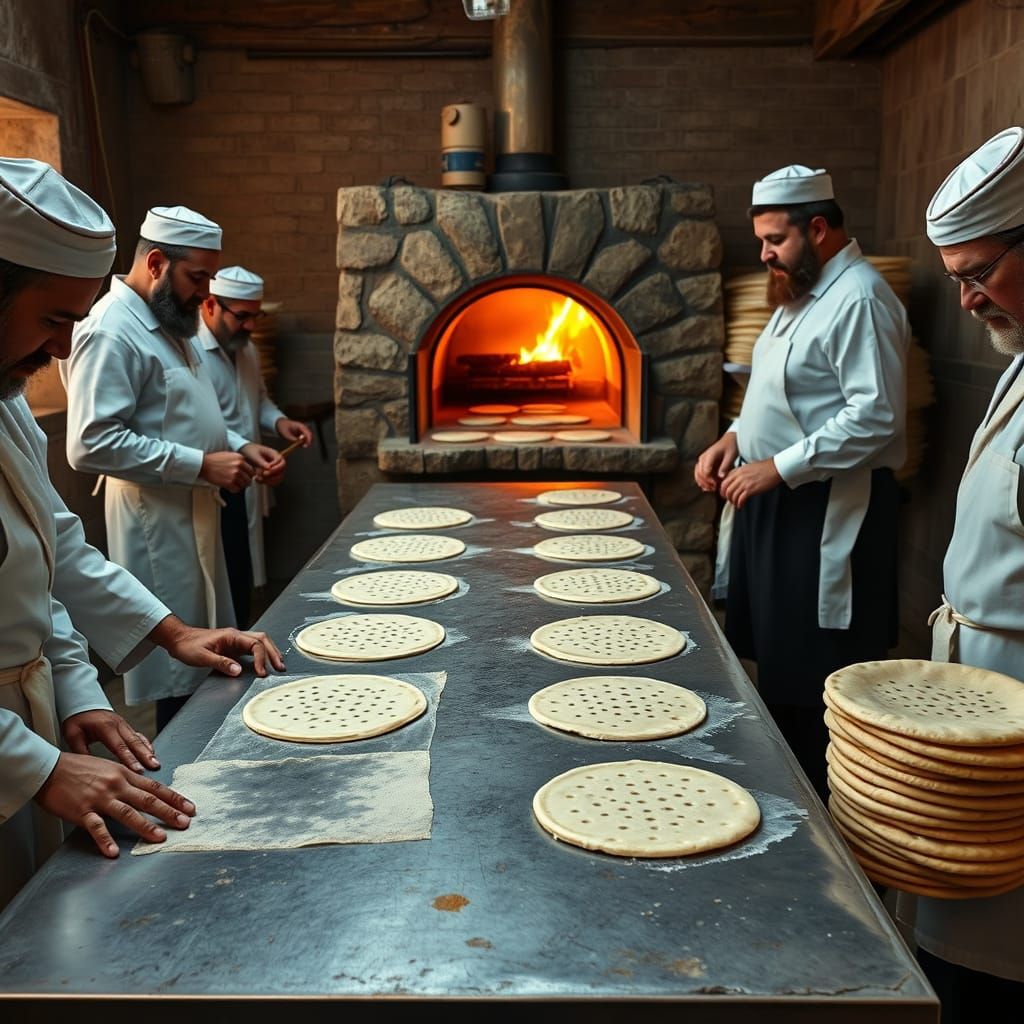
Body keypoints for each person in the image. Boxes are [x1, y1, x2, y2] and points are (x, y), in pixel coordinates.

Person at [0, 158, 285, 908]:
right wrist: (31, 765)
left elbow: (47, 560)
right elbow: (94, 446)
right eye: (53, 320)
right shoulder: (108, 337)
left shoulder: (5, 404)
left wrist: (155, 641)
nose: (63, 349)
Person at [696, 165, 909, 798]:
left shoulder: (862, 298)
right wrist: (735, 438)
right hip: (773, 500)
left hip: (823, 512)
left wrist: (778, 466)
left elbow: (875, 417)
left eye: (774, 240)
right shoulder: (799, 293)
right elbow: (779, 391)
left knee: (815, 671)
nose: (763, 254)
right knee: (776, 661)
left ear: (817, 228)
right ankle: (783, 788)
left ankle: (823, 807)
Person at [61, 206, 283, 731]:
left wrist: (237, 445)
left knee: (210, 648)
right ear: (157, 262)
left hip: (195, 505)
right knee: (178, 668)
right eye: (198, 277)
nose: (205, 293)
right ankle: (184, 759)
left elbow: (187, 415)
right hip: (157, 520)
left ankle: (212, 746)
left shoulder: (170, 324)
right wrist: (201, 464)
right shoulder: (112, 331)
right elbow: (91, 443)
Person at [904, 125, 1024, 1016]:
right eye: (957, 281)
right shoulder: (1018, 359)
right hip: (980, 693)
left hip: (1014, 709)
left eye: (979, 272)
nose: (971, 300)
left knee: (994, 952)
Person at [197, 266, 312, 625]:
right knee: (223, 575)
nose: (250, 326)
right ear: (210, 305)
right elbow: (206, 421)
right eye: (242, 316)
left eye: (255, 316)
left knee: (243, 571)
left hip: (248, 473)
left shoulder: (247, 349)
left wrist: (279, 422)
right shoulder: (191, 352)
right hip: (212, 480)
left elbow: (258, 400)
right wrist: (245, 446)